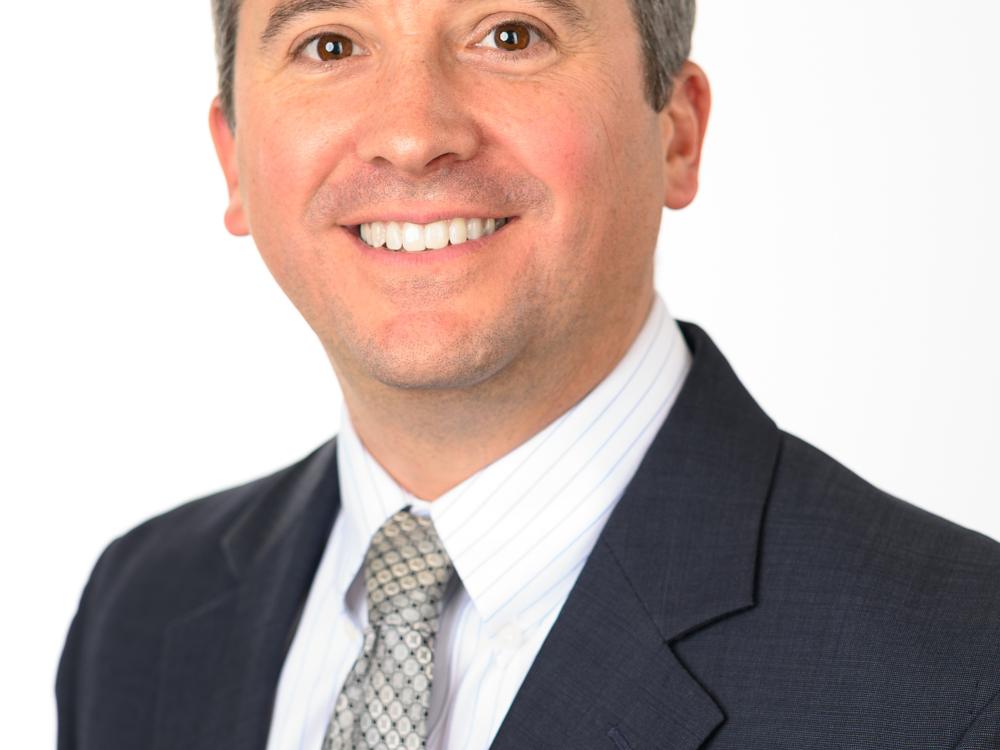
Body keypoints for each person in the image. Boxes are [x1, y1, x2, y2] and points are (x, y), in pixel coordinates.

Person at [56, 0, 1000, 747]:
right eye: (330, 45)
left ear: (676, 130)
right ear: (233, 162)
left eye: (511, 34)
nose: (412, 134)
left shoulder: (958, 671)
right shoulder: (143, 611)